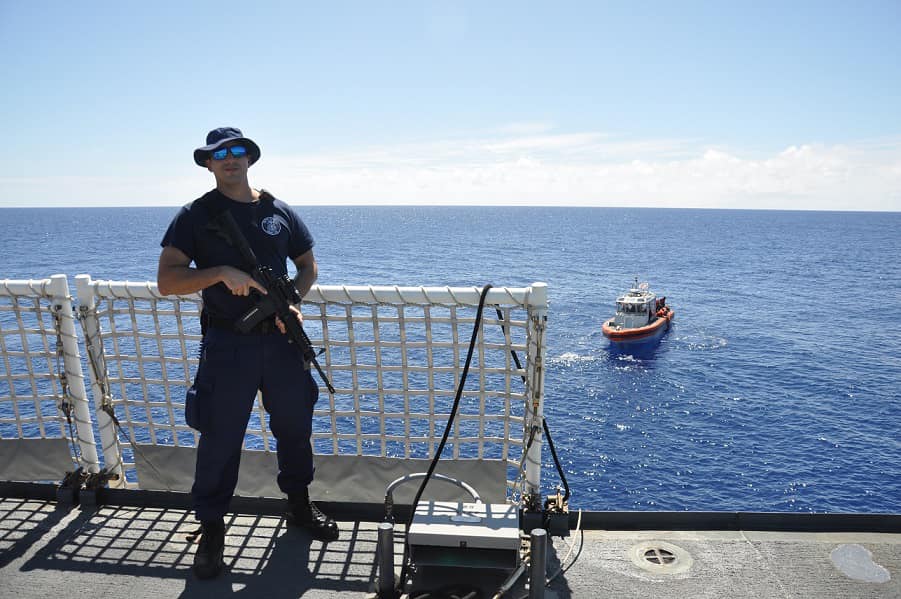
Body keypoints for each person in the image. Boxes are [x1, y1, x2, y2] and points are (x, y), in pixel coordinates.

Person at [157, 127, 338, 580]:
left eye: (237, 151)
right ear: (208, 163)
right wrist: (218, 272)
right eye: (220, 154)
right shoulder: (195, 216)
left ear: (250, 158)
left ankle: (298, 506)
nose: (230, 159)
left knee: (295, 429)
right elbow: (168, 281)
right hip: (228, 345)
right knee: (220, 438)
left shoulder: (279, 210)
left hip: (280, 342)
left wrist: (290, 302)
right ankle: (212, 530)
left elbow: (308, 266)